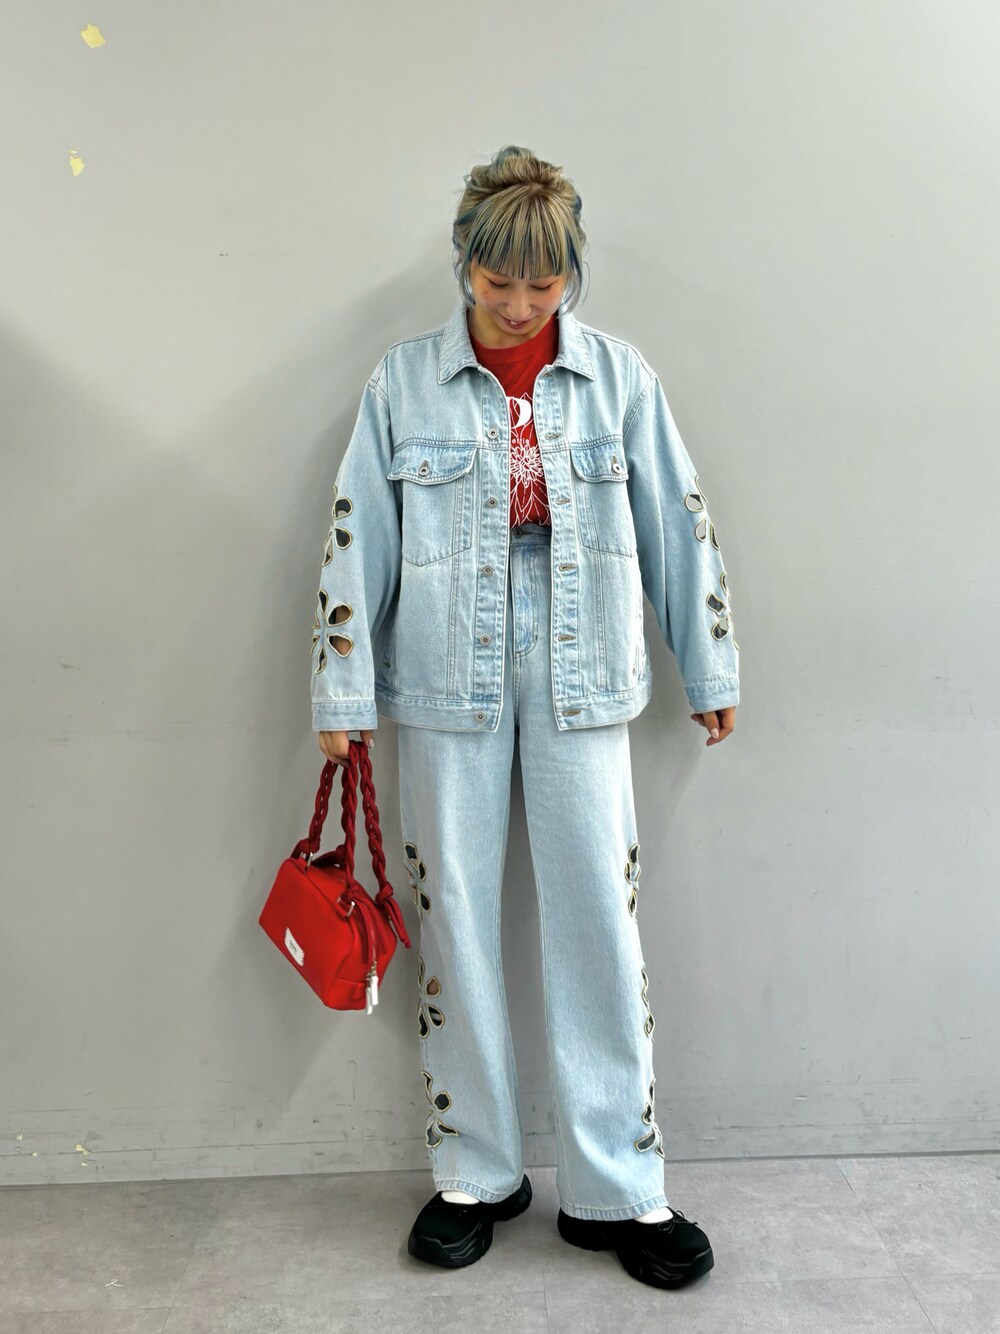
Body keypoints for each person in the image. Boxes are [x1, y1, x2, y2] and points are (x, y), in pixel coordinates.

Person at [310, 145, 739, 1291]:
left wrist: (709, 664)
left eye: (542, 283)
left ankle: (619, 1184)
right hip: (440, 670)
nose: (518, 304)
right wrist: (340, 692)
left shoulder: (617, 378)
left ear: (570, 274)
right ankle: (474, 1169)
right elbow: (358, 534)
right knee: (451, 910)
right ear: (463, 262)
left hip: (583, 664)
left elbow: (677, 518)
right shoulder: (402, 383)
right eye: (497, 280)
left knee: (598, 911)